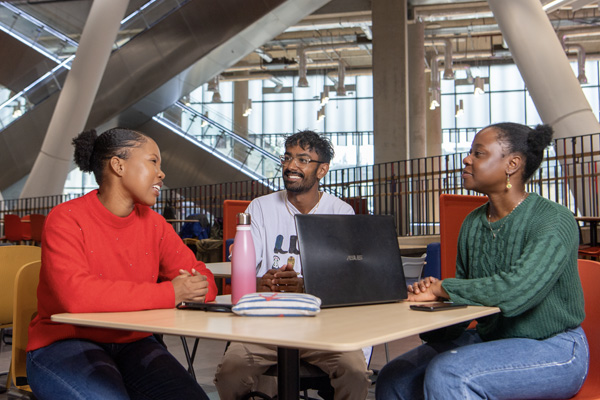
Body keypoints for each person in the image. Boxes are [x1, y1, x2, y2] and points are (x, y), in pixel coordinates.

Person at [376, 123, 589, 400]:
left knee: (450, 373)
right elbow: (466, 300)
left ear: (512, 164)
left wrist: (443, 289)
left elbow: (516, 292)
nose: (466, 159)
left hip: (555, 348)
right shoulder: (473, 223)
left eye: (478, 153)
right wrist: (430, 306)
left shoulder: (553, 219)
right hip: (492, 340)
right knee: (396, 376)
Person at [26, 128, 218, 400]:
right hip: (64, 343)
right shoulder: (66, 218)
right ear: (118, 165)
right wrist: (172, 293)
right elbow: (76, 297)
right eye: (153, 161)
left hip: (133, 341)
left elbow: (205, 281)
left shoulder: (154, 224)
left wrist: (192, 287)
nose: (161, 173)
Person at [214, 130, 372, 400]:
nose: (290, 166)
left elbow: (346, 282)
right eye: (287, 158)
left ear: (322, 170)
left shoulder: (340, 212)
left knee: (355, 373)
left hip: (323, 324)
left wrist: (304, 286)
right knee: (230, 372)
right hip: (265, 322)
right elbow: (245, 274)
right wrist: (262, 281)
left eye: (302, 159)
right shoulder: (260, 208)